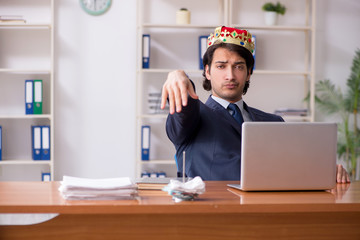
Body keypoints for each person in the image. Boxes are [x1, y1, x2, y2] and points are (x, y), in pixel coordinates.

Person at [160, 26, 350, 183]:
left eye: (239, 66)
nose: (230, 75)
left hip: (268, 213)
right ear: (207, 71)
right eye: (221, 66)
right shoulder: (195, 116)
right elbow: (183, 108)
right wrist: (178, 76)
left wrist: (326, 173)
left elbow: (291, 169)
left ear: (249, 73)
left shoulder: (273, 122)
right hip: (213, 214)